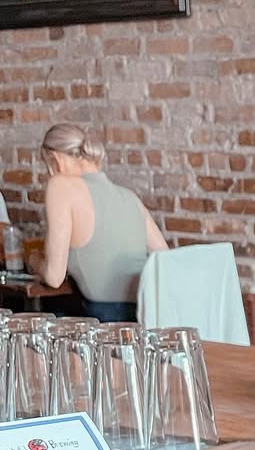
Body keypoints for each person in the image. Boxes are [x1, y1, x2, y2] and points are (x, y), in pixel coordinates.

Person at [35, 124, 168, 322]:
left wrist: (35, 262)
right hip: (145, 317)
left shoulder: (61, 185)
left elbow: (54, 278)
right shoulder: (129, 197)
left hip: (103, 322)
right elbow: (165, 259)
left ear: (56, 160)